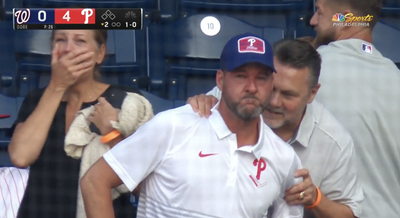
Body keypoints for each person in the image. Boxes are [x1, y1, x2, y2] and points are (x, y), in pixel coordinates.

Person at [80, 33, 304, 218]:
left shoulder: (284, 158)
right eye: (241, 76)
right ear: (220, 80)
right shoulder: (174, 126)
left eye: (262, 78)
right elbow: (95, 181)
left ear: (271, 83)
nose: (252, 87)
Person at [187, 39, 364, 218]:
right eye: (271, 88)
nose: (273, 102)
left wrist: (316, 198)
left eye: (288, 94)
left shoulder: (334, 141)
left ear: (312, 93)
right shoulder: (239, 95)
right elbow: (189, 122)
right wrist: (197, 106)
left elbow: (350, 214)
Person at [8, 29, 141, 218]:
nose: (68, 49)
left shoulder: (125, 100)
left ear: (100, 53)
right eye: (61, 40)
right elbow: (21, 157)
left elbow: (141, 182)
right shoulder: (36, 99)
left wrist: (112, 134)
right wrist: (57, 86)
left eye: (80, 41)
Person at [310, 0, 400, 217]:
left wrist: (210, 100)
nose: (312, 21)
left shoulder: (307, 73)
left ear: (347, 19)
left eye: (319, 13)